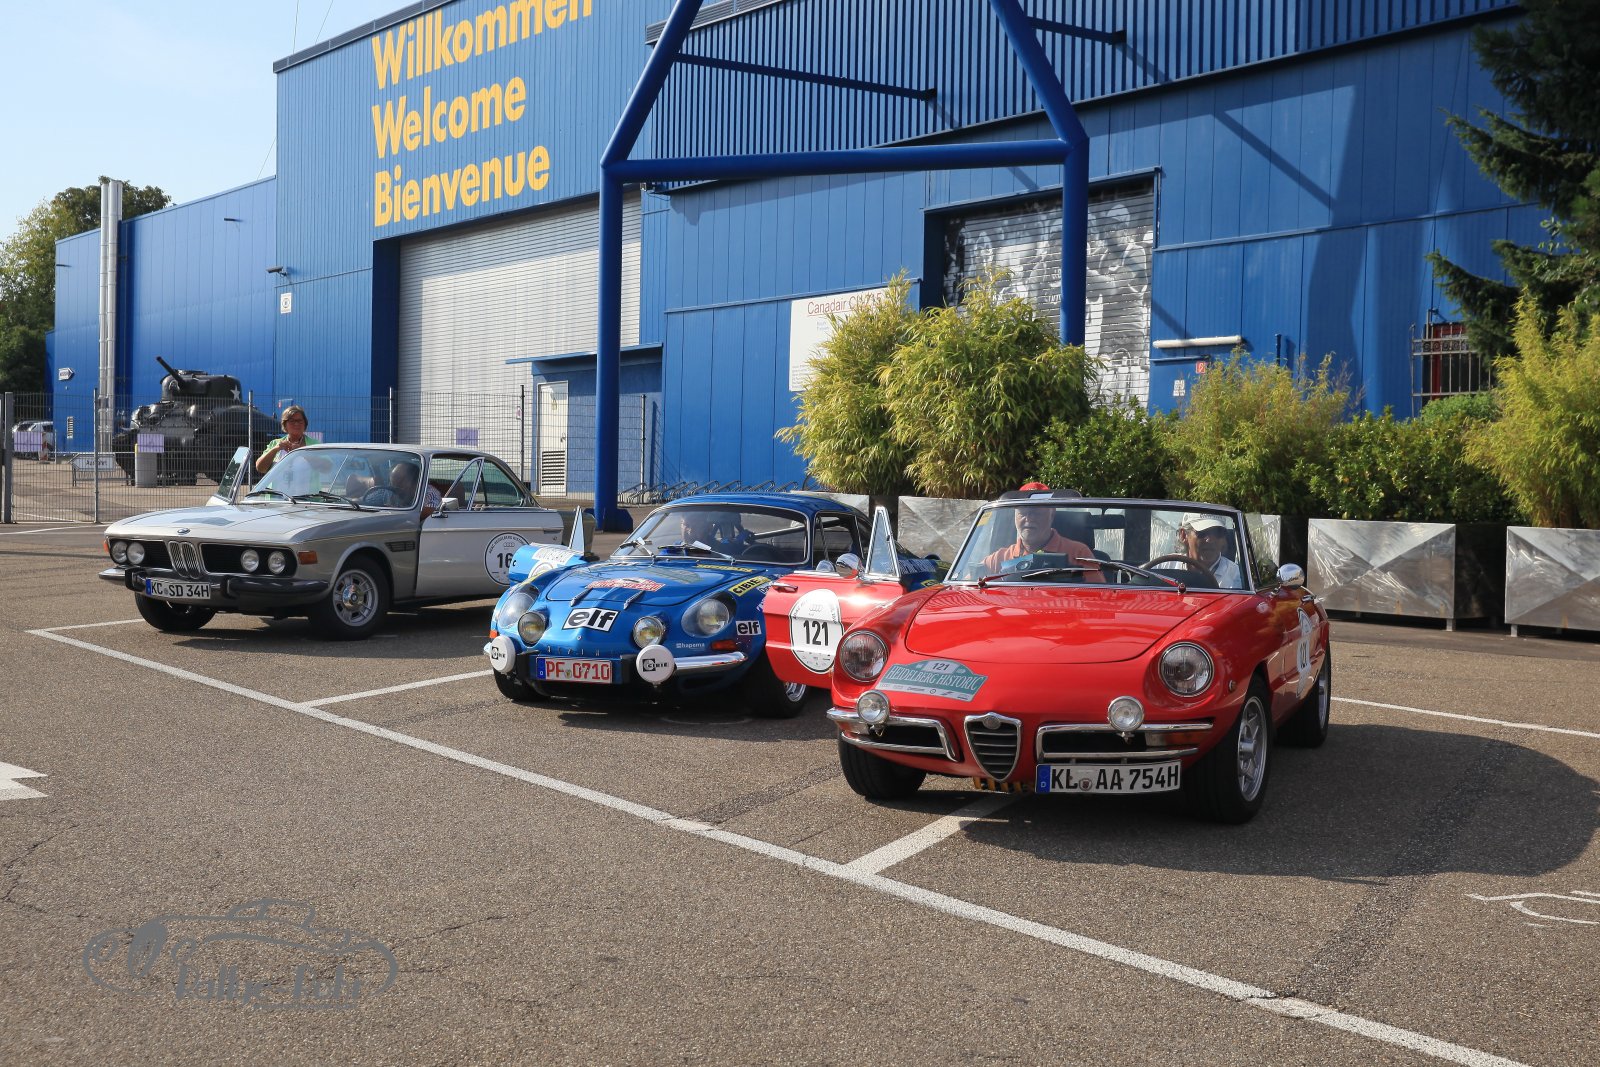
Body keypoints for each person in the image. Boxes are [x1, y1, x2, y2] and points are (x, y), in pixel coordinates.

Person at [980, 487, 1104, 581]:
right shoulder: (999, 558)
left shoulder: (1079, 554)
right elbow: (972, 585)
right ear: (1015, 516)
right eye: (1023, 513)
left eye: (1036, 513)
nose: (1029, 519)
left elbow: (1097, 598)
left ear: (1052, 515)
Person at [1168, 513, 1243, 589]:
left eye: (1218, 533)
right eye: (1202, 532)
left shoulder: (1237, 577)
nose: (1210, 540)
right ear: (1184, 535)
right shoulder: (1166, 566)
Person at [255, 406, 310, 474]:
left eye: (299, 421)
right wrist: (275, 449)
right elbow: (260, 468)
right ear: (285, 424)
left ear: (305, 423)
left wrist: (301, 452)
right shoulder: (275, 443)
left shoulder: (314, 444)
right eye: (292, 421)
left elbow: (322, 467)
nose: (296, 424)